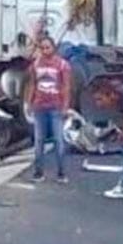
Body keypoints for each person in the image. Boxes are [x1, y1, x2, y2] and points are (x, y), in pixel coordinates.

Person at [26, 35, 72, 183]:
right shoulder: (35, 65)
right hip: (39, 107)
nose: (45, 51)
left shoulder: (62, 65)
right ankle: (38, 172)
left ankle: (61, 173)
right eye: (43, 48)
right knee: (39, 140)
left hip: (56, 107)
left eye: (48, 47)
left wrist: (65, 106)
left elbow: (66, 86)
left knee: (59, 140)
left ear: (54, 48)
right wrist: (29, 103)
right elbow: (32, 84)